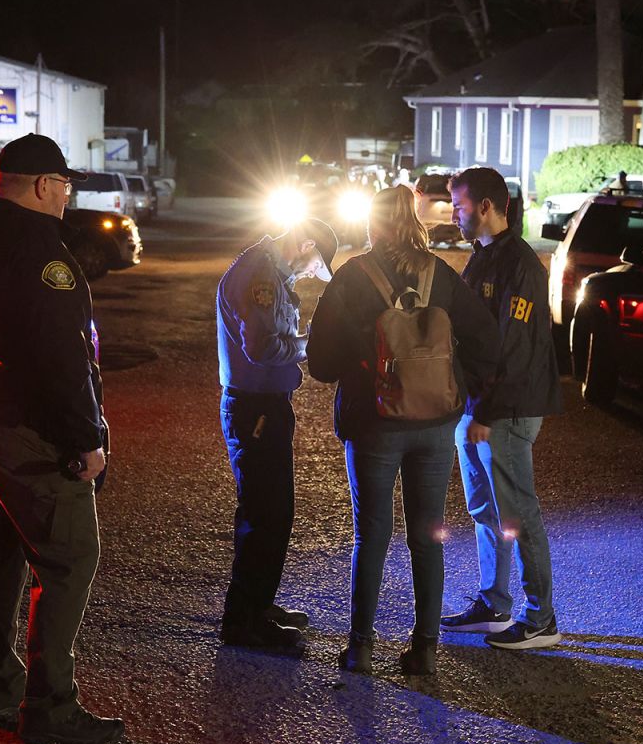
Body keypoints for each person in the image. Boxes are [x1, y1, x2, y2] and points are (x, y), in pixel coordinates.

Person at [0, 133, 123, 744]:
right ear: (44, 185)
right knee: (67, 562)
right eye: (66, 186)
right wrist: (86, 437)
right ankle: (50, 708)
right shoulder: (43, 252)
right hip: (27, 433)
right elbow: (60, 359)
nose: (69, 200)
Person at [307, 186, 498, 676]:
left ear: (373, 224)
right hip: (436, 423)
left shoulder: (353, 276)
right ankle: (426, 649)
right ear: (412, 220)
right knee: (427, 535)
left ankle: (361, 648)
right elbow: (486, 339)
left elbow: (322, 363)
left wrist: (363, 358)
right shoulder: (441, 275)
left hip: (374, 423)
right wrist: (458, 384)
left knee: (371, 535)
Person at [441, 166, 564, 650]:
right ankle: (495, 604)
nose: (453, 214)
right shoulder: (482, 258)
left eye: (459, 205)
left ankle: (541, 620)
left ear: (487, 207)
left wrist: (487, 413)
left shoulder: (520, 265)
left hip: (505, 410)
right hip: (479, 407)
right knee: (485, 508)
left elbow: (513, 348)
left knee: (518, 511)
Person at [216, 218, 338, 650]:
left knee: (274, 513)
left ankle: (258, 605)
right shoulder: (263, 274)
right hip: (255, 409)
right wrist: (309, 345)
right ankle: (244, 621)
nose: (307, 274)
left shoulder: (267, 269)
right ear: (304, 243)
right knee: (263, 515)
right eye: (311, 265)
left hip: (263, 406)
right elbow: (263, 347)